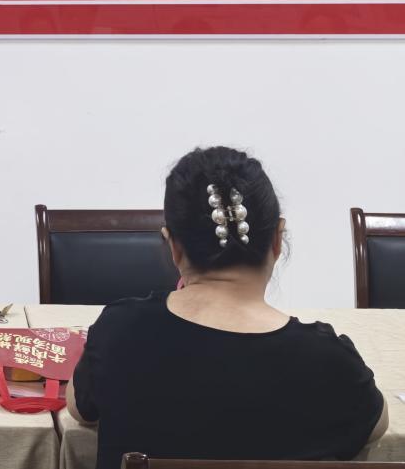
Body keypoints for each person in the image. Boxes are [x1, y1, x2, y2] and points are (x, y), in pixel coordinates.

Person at [69, 146, 388, 469]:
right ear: (277, 241)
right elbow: (377, 426)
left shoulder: (121, 330)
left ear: (173, 246)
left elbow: (80, 409)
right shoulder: (329, 361)